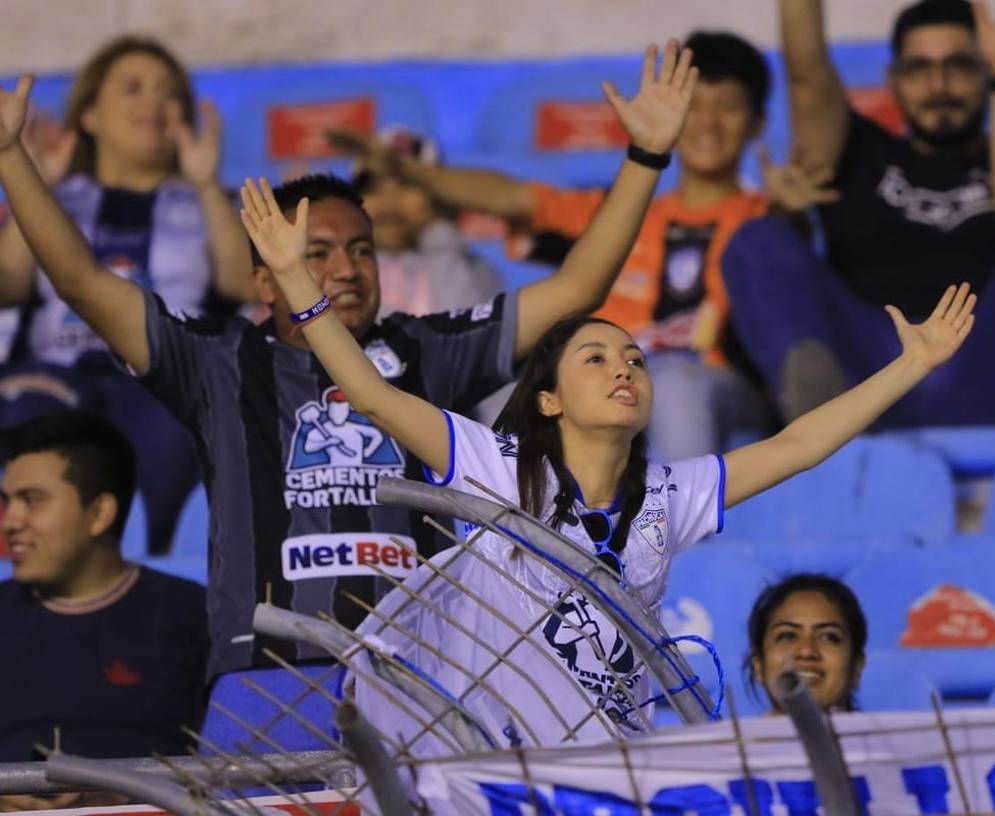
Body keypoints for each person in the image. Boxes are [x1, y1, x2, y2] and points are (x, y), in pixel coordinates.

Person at [240, 39, 977, 743]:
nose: (626, 367)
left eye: (634, 358)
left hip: (619, 768)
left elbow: (801, 444)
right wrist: (299, 284)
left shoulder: (669, 495)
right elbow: (370, 393)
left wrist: (910, 364)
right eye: (596, 358)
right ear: (550, 398)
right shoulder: (492, 466)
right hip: (503, 767)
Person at [0, 55, 675, 688]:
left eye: (361, 249)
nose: (347, 270)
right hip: (264, 677)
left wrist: (646, 156)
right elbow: (85, 285)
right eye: (315, 253)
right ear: (265, 279)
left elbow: (580, 285)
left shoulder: (427, 350)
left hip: (421, 683)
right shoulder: (214, 362)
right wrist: (10, 158)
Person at [339, 31, 792, 461]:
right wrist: (408, 171)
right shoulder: (621, 214)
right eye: (696, 104)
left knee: (673, 385)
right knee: (527, 379)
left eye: (728, 106)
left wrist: (790, 218)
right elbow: (511, 198)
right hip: (605, 381)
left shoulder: (767, 219)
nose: (709, 123)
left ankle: (681, 535)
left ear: (758, 123)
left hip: (711, 389)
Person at [723, 0, 995, 430]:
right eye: (919, 69)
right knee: (757, 240)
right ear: (893, 80)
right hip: (868, 378)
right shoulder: (856, 153)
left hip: (991, 363)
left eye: (960, 66)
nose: (939, 84)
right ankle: (817, 415)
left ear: (986, 71)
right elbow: (806, 75)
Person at [0, 36, 254, 554]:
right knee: (26, 408)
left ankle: (154, 569)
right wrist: (34, 189)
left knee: (176, 419)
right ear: (89, 115)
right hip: (55, 377)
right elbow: (7, 283)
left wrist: (207, 186)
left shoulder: (212, 202)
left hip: (161, 377)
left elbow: (242, 285)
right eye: (133, 88)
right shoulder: (53, 196)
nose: (153, 104)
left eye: (168, 92)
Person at [0, 411, 208, 766]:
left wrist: (114, 795)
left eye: (32, 499)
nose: (10, 522)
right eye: (7, 502)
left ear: (99, 514)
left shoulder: (195, 616)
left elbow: (229, 767)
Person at [349, 128, 502, 318]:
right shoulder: (331, 271)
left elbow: (462, 336)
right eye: (373, 188)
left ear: (437, 197)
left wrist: (442, 235)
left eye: (407, 185)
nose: (389, 201)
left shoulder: (474, 272)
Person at [745, 573, 867, 712]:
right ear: (758, 665)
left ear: (857, 667)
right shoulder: (726, 734)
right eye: (787, 636)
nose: (806, 651)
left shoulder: (892, 735)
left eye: (828, 637)